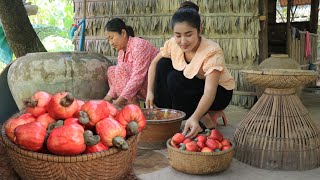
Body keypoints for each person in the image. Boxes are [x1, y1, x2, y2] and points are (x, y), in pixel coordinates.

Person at [145, 1, 235, 138]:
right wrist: (150, 92)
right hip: (192, 85)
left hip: (219, 93)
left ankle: (200, 119)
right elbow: (153, 64)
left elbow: (210, 92)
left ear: (200, 30)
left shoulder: (212, 51)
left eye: (189, 34)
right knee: (163, 64)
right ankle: (175, 115)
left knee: (174, 78)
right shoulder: (172, 43)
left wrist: (195, 117)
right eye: (178, 35)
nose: (183, 41)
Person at [103, 18, 158, 107]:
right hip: (141, 88)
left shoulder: (138, 45)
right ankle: (131, 108)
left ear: (123, 33)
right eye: (108, 39)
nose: (111, 43)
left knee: (120, 68)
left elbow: (138, 77)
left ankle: (134, 109)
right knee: (111, 70)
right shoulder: (121, 51)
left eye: (112, 38)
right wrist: (106, 99)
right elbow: (118, 81)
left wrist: (118, 102)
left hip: (154, 88)